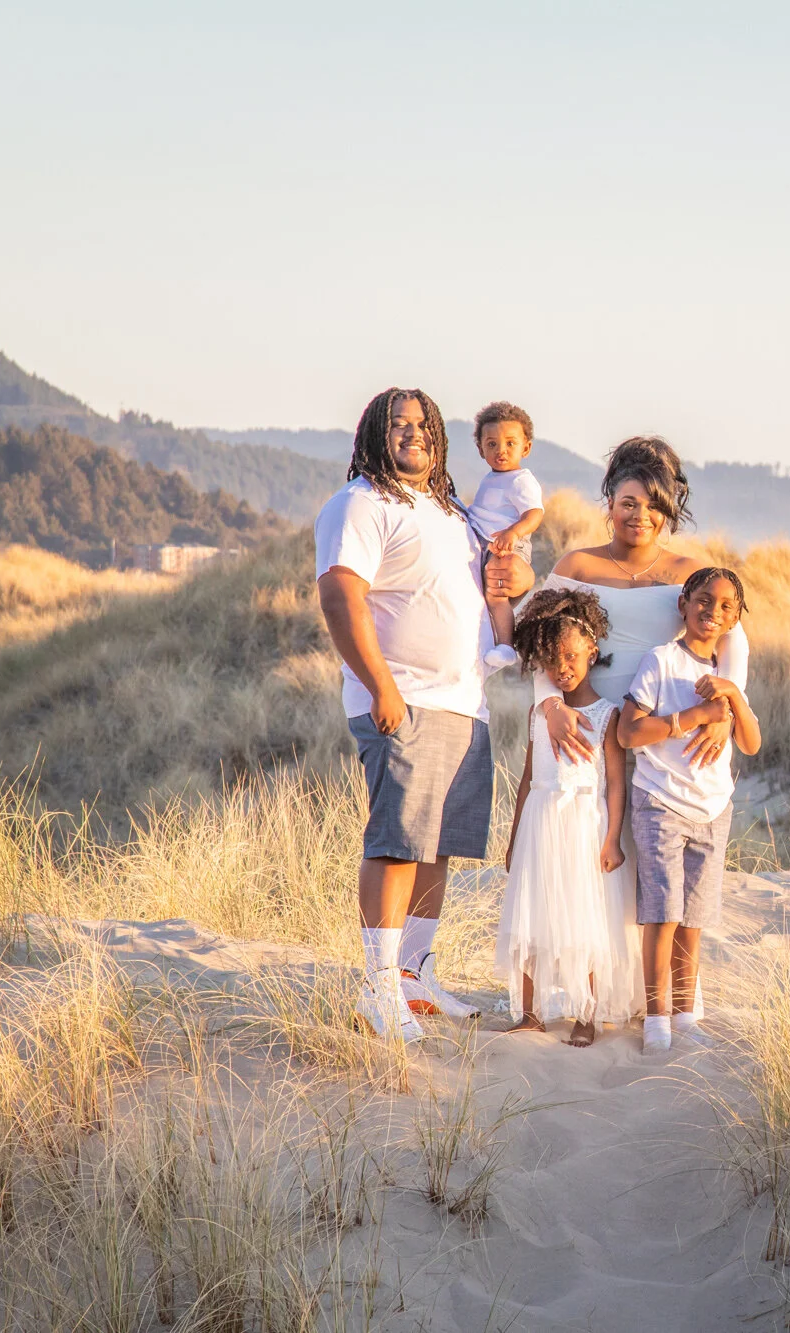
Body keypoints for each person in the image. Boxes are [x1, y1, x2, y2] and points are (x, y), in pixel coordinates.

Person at [482, 437, 749, 1029]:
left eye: (654, 506)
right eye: (628, 502)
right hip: (585, 729)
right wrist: (549, 705)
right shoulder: (577, 565)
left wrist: (728, 706)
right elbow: (539, 636)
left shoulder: (690, 571)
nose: (640, 516)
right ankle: (593, 1000)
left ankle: (659, 1004)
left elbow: (733, 638)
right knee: (593, 867)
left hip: (661, 744)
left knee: (656, 877)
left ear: (670, 509)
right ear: (610, 501)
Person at [316, 387, 512, 1041]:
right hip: (402, 699)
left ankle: (412, 976)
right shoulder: (360, 502)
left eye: (423, 424)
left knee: (437, 847)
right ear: (374, 431)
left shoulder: (454, 512)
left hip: (463, 702)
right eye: (398, 425)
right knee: (398, 842)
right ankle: (376, 988)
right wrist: (380, 687)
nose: (413, 434)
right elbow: (341, 595)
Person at [620, 567, 762, 1054]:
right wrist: (691, 718)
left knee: (693, 919)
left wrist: (733, 699)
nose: (712, 612)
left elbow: (751, 742)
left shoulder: (728, 676)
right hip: (660, 800)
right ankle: (656, 1016)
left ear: (736, 618)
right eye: (704, 600)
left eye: (726, 606)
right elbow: (628, 734)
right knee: (663, 913)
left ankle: (684, 1012)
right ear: (683, 604)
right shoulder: (660, 661)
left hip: (712, 808)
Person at [494, 586, 636, 1046]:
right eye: (553, 661)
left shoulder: (607, 714)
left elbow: (616, 783)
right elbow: (528, 775)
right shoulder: (542, 712)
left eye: (572, 657)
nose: (563, 669)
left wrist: (613, 837)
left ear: (592, 651)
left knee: (585, 918)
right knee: (532, 913)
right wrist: (514, 836)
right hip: (540, 820)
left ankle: (586, 1013)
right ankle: (530, 1011)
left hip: (584, 826)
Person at [465, 401, 545, 671]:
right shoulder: (491, 477)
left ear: (526, 447)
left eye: (510, 443)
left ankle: (506, 647)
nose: (501, 451)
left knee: (497, 597)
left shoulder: (521, 479)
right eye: (492, 444)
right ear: (480, 449)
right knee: (487, 596)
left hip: (508, 547)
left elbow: (534, 514)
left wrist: (513, 532)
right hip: (490, 542)